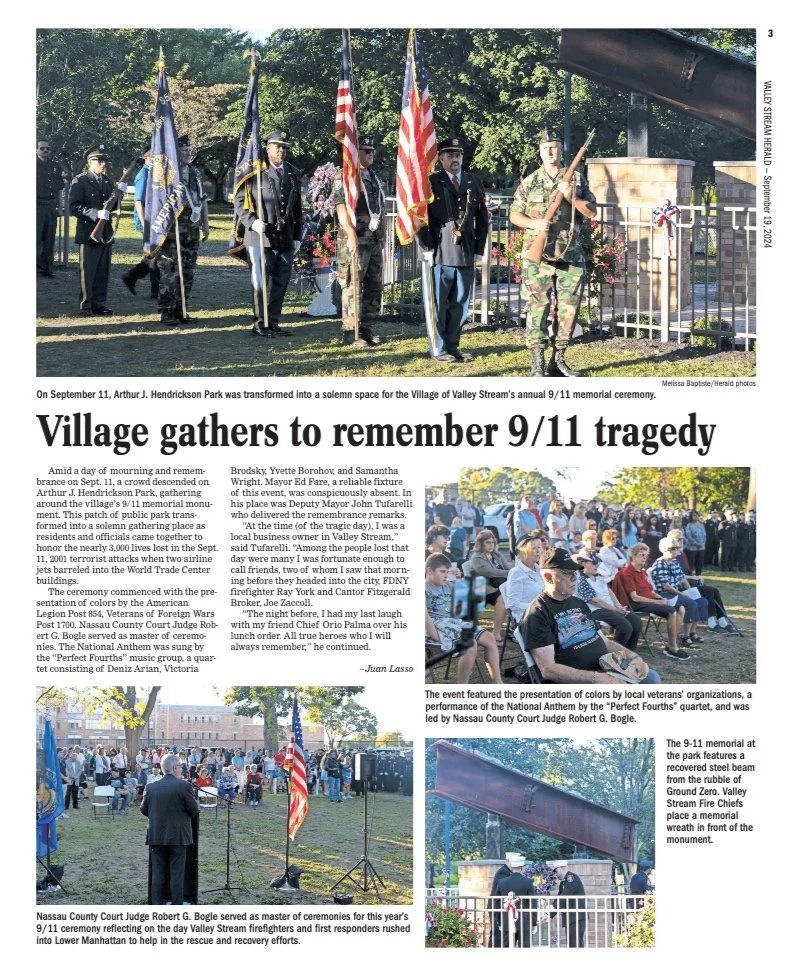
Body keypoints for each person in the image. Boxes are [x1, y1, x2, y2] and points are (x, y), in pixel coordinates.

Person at [510, 129, 597, 376]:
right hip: (539, 257)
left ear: (561, 151)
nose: (550, 152)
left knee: (569, 310)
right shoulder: (529, 182)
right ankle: (537, 360)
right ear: (540, 152)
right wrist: (534, 224)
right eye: (546, 148)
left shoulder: (577, 180)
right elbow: (515, 214)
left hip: (570, 255)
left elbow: (592, 212)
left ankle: (557, 359)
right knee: (538, 306)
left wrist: (571, 197)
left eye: (555, 147)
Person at [521, 548, 661, 683]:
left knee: (652, 677)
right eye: (568, 573)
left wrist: (633, 656)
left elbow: (605, 641)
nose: (574, 578)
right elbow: (548, 669)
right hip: (581, 680)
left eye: (575, 573)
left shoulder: (578, 602)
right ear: (548, 577)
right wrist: (597, 678)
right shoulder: (537, 613)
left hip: (607, 668)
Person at [418, 136, 489, 362]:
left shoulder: (472, 181)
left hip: (466, 250)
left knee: (460, 303)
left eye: (458, 155)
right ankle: (438, 348)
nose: (455, 159)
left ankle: (453, 345)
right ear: (440, 158)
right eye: (449, 155)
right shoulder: (432, 181)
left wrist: (479, 248)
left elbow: (482, 218)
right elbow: (422, 217)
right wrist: (426, 246)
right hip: (440, 250)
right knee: (439, 303)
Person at [234, 130, 303, 338]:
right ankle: (259, 323)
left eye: (284, 147)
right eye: (277, 146)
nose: (281, 150)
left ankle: (273, 321)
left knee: (281, 281)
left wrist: (298, 235)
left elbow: (297, 207)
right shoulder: (254, 172)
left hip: (285, 237)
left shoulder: (292, 172)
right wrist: (252, 222)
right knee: (261, 281)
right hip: (260, 237)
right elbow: (239, 202)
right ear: (267, 148)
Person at [333, 133, 386, 347]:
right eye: (366, 150)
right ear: (355, 153)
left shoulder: (374, 178)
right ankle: (351, 331)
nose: (370, 154)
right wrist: (351, 234)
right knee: (352, 285)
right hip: (355, 239)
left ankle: (367, 329)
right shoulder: (345, 176)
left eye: (372, 151)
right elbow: (341, 207)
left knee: (374, 286)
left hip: (374, 239)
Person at [425, 552, 502, 683]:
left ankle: (498, 682)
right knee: (470, 645)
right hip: (437, 626)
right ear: (430, 571)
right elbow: (424, 616)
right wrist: (435, 636)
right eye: (442, 571)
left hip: (455, 623)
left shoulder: (448, 585)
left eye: (447, 572)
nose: (445, 575)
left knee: (489, 638)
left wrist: (460, 580)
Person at [156, 136, 208, 326]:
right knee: (170, 272)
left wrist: (205, 224)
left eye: (190, 150)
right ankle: (167, 311)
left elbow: (202, 201)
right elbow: (158, 203)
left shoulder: (195, 173)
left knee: (188, 272)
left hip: (191, 231)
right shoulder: (168, 174)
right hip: (172, 231)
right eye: (185, 150)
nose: (189, 153)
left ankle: (182, 310)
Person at [140, 753, 199, 906]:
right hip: (178, 837)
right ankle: (177, 905)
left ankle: (156, 905)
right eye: (180, 767)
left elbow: (144, 810)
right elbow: (194, 810)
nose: (182, 770)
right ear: (174, 768)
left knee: (157, 873)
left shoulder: (151, 787)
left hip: (156, 836)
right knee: (177, 874)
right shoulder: (184, 786)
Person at [68, 145, 121, 315]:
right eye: (100, 160)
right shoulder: (80, 181)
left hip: (104, 232)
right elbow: (74, 207)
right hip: (88, 231)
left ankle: (99, 304)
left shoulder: (106, 181)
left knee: (102, 271)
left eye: (104, 160)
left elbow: (112, 206)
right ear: (90, 162)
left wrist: (119, 194)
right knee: (88, 272)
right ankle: (86, 305)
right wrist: (95, 213)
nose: (103, 163)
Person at [614, 543, 688, 661]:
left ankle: (670, 644)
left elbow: (651, 591)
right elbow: (635, 598)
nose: (644, 557)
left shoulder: (642, 571)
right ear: (633, 557)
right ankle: (673, 648)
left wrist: (661, 598)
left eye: (646, 555)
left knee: (681, 609)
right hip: (637, 605)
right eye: (641, 555)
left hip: (650, 602)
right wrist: (658, 603)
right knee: (672, 611)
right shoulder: (627, 572)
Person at [574, 548, 643, 651]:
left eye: (597, 563)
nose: (596, 565)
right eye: (593, 563)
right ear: (583, 564)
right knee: (625, 626)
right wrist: (615, 610)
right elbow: (596, 601)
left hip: (610, 608)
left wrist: (618, 605)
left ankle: (629, 651)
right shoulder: (582, 580)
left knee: (637, 622)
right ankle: (615, 654)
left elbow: (610, 592)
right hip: (596, 611)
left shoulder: (599, 576)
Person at [121, 151, 160, 299]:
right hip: (148, 222)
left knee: (154, 254)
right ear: (146, 157)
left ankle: (132, 277)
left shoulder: (154, 174)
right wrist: (145, 224)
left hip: (155, 221)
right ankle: (153, 289)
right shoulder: (143, 175)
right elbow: (138, 202)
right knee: (154, 255)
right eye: (153, 156)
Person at [467, 529, 513, 642]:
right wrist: (510, 573)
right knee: (502, 599)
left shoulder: (496, 555)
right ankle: (496, 633)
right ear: (480, 544)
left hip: (499, 586)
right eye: (488, 542)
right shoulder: (477, 557)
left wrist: (515, 570)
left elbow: (507, 567)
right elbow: (489, 572)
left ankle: (510, 628)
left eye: (492, 542)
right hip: (482, 589)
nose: (491, 545)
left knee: (517, 594)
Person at [492, 853, 536, 948]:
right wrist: (533, 922)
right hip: (524, 922)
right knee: (524, 948)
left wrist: (499, 921)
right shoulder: (528, 882)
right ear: (522, 867)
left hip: (506, 921)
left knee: (507, 948)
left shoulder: (501, 882)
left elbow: (497, 903)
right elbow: (533, 903)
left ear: (511, 866)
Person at [36, 137, 64, 277]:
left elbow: (59, 188)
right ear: (36, 150)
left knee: (49, 238)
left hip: (51, 205)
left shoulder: (55, 166)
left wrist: (60, 206)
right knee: (35, 238)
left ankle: (47, 268)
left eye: (47, 148)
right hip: (36, 205)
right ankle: (36, 268)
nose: (45, 150)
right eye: (42, 148)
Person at [504, 534, 546, 623]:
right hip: (526, 618)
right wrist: (537, 607)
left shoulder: (539, 570)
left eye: (539, 547)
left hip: (543, 615)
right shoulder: (516, 573)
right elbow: (513, 605)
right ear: (524, 551)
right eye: (534, 548)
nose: (539, 551)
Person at [552, 864, 586, 947]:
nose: (555, 874)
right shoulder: (564, 882)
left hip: (576, 917)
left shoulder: (571, 878)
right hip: (571, 918)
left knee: (576, 944)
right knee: (571, 944)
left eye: (556, 871)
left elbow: (565, 896)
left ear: (561, 869)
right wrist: (549, 912)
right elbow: (560, 898)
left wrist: (552, 908)